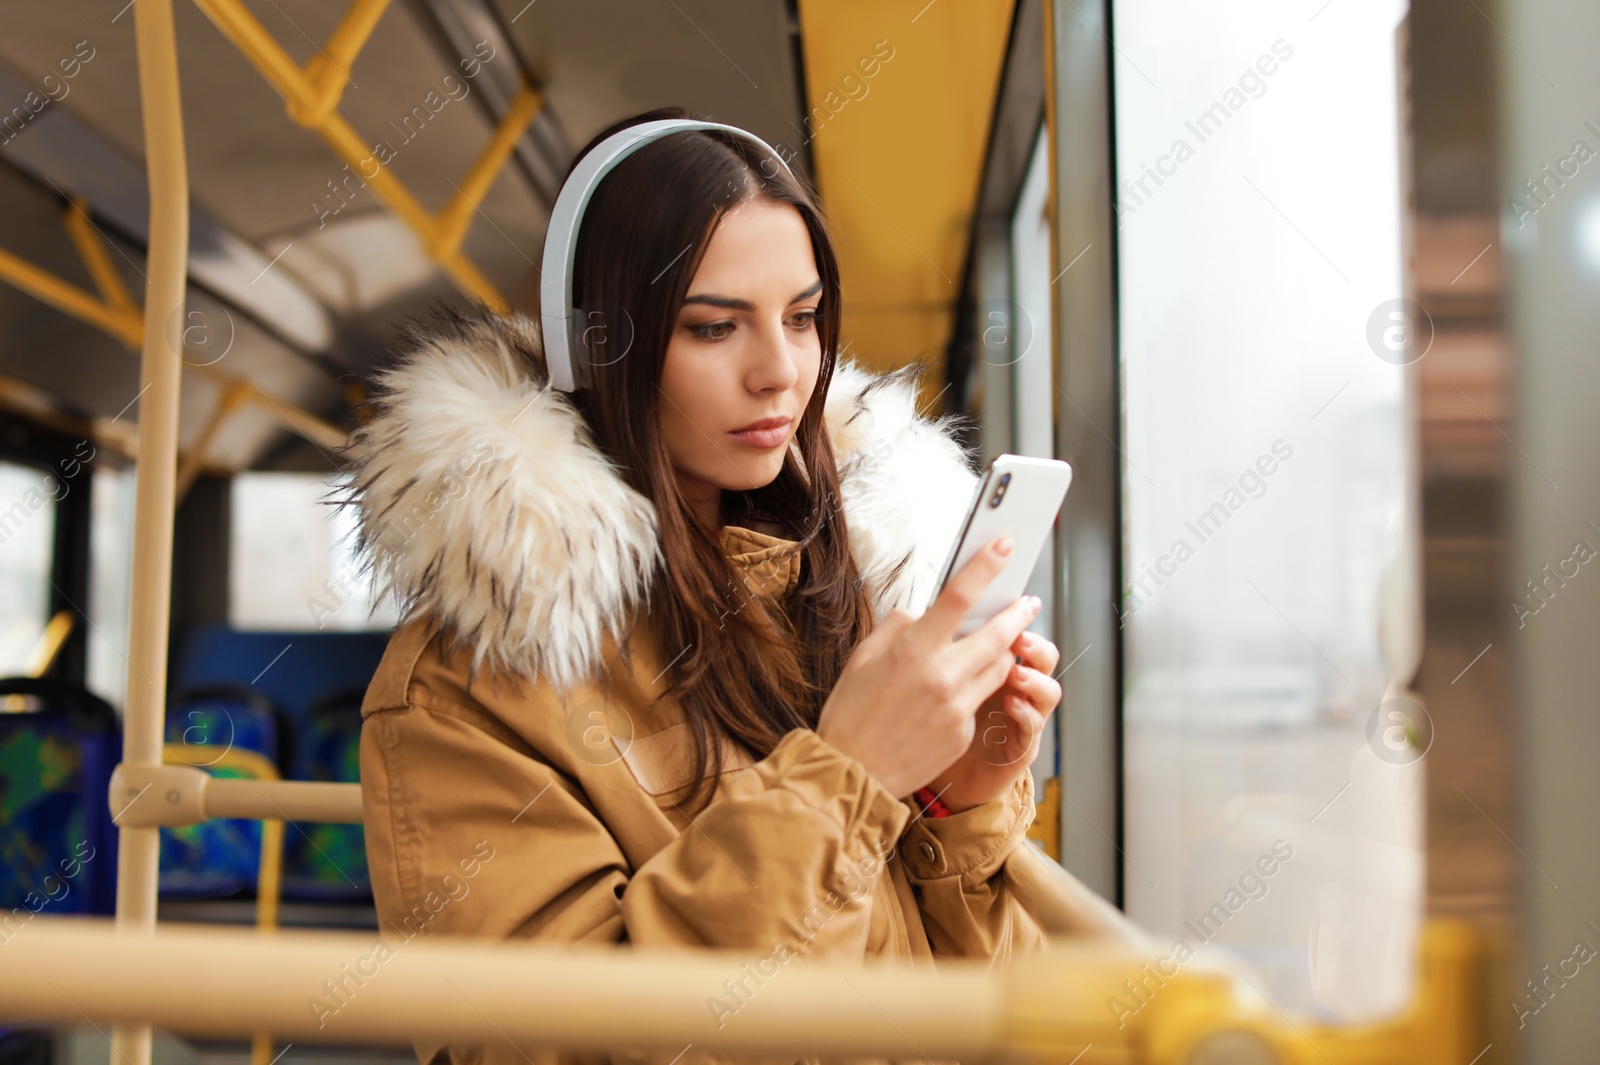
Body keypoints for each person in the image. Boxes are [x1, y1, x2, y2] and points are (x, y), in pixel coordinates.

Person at [340, 106, 1063, 1065]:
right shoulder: (464, 688)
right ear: (596, 348)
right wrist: (846, 781)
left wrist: (955, 805)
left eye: (804, 319)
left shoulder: (844, 594)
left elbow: (976, 1014)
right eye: (714, 328)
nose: (782, 373)